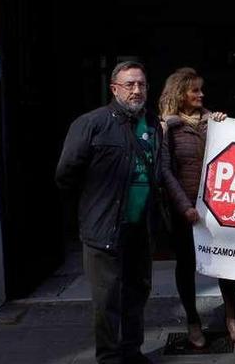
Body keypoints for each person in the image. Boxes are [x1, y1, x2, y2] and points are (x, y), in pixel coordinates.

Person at [55, 61, 162, 364]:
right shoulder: (91, 124)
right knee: (107, 300)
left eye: (141, 84)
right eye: (130, 85)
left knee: (137, 293)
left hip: (139, 227)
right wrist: (94, 204)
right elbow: (65, 174)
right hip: (104, 228)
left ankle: (132, 351)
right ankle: (110, 358)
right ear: (114, 88)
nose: (137, 90)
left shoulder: (152, 124)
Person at [158, 68, 235, 346]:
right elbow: (165, 171)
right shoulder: (166, 127)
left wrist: (224, 125)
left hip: (216, 207)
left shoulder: (214, 122)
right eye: (195, 90)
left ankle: (232, 319)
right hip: (184, 208)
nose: (201, 94)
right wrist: (184, 206)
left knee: (226, 263)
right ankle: (193, 322)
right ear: (179, 93)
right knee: (186, 265)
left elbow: (231, 158)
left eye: (201, 89)